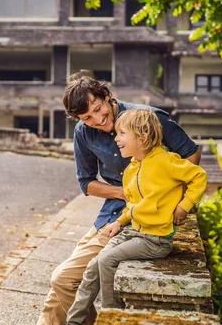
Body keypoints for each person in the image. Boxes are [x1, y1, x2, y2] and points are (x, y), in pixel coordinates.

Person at [37, 74, 201, 325]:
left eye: (97, 109)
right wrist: (122, 193)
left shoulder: (148, 119)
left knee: (72, 278)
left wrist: (174, 202)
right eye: (86, 118)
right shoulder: (84, 132)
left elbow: (191, 154)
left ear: (107, 96)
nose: (97, 120)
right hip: (115, 213)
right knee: (61, 281)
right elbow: (87, 183)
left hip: (151, 222)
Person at [65, 109, 207, 324]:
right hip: (135, 231)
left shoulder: (166, 161)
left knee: (106, 259)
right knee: (93, 267)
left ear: (143, 137)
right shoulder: (132, 168)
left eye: (122, 133)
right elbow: (133, 206)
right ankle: (73, 321)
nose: (116, 138)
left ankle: (112, 317)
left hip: (155, 239)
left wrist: (183, 207)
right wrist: (118, 223)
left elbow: (199, 176)